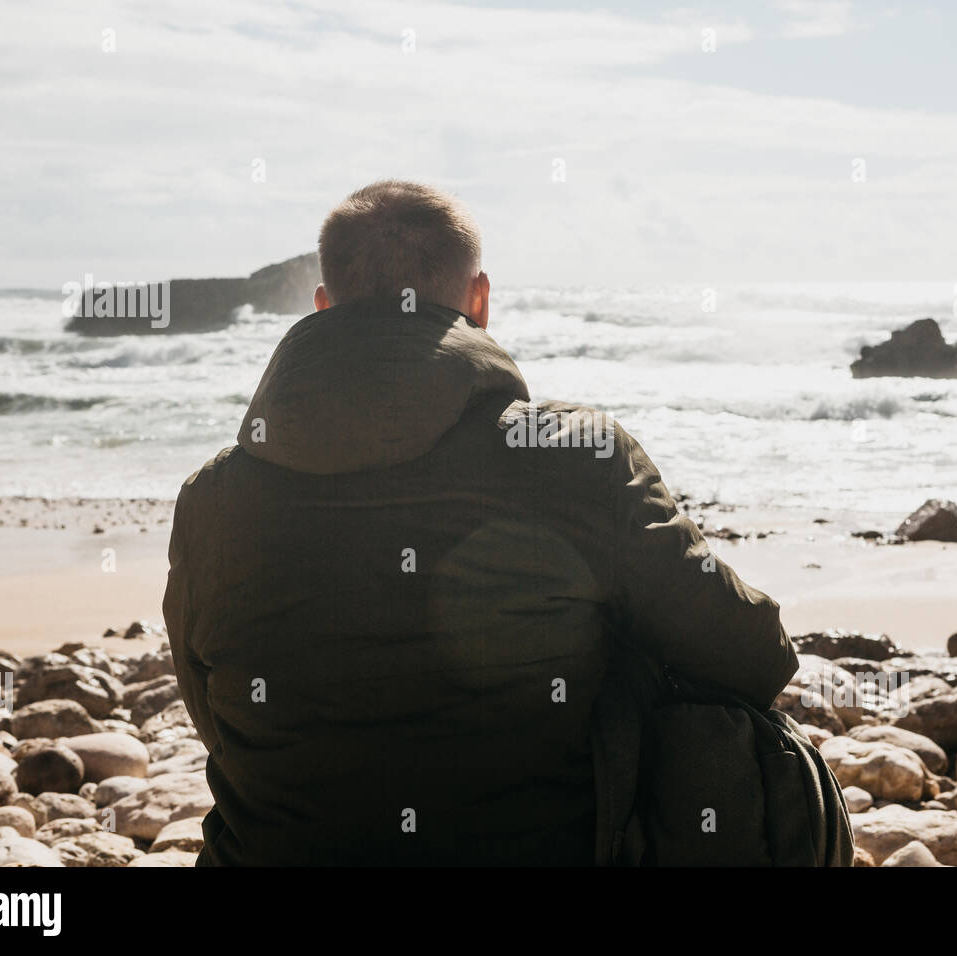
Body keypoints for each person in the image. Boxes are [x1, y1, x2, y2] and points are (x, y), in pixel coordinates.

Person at [163, 179, 797, 865]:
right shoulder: (575, 457)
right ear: (480, 300)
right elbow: (752, 657)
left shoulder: (212, 500)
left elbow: (215, 720)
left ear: (323, 306)